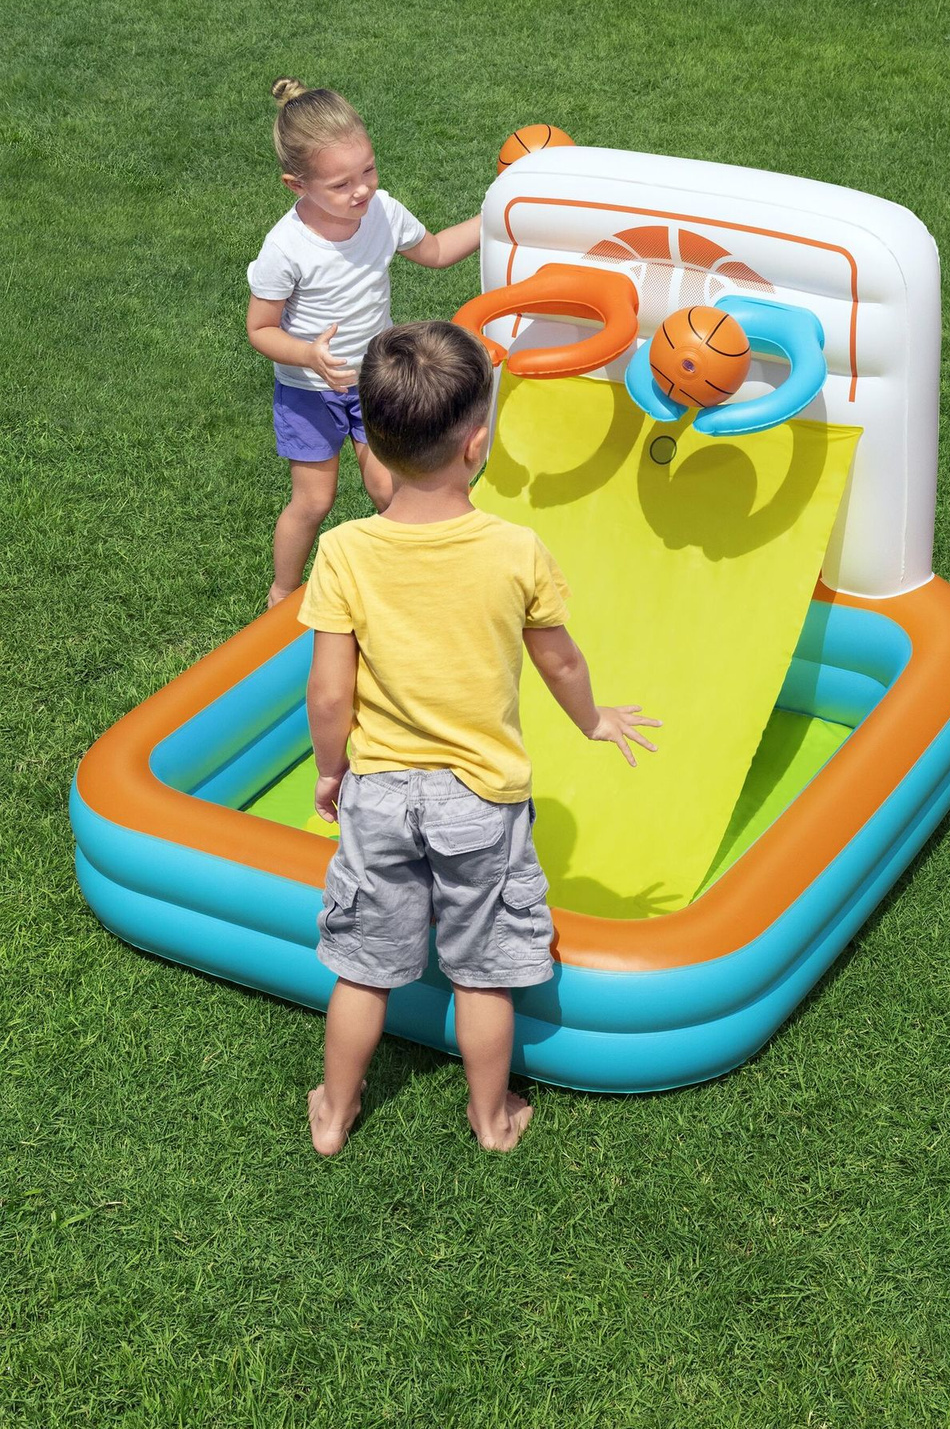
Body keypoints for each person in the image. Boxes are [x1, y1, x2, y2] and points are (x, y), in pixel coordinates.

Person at [298, 321, 661, 1155]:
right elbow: (560, 661)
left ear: (373, 443)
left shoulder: (345, 551)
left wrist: (330, 771)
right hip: (480, 798)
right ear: (477, 443)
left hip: (379, 792)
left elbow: (329, 692)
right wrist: (595, 719)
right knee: (483, 969)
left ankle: (335, 1113)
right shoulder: (514, 550)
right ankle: (491, 1120)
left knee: (363, 966)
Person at [246, 79, 481, 608]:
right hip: (309, 392)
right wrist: (309, 355)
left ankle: (410, 580)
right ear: (296, 185)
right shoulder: (286, 248)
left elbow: (437, 251)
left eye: (369, 171)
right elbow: (260, 329)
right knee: (314, 501)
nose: (362, 191)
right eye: (341, 184)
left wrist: (496, 217)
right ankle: (282, 592)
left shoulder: (382, 213)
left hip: (374, 382)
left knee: (388, 489)